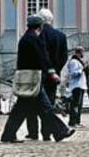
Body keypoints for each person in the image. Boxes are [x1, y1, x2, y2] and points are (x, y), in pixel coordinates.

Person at [0, 15, 75, 144]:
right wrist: (52, 72)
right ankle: (60, 131)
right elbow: (43, 58)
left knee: (22, 109)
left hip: (27, 78)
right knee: (45, 107)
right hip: (33, 79)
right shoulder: (35, 39)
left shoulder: (25, 38)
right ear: (40, 26)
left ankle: (8, 134)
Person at [26, 8, 68, 141]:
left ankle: (33, 132)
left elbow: (37, 55)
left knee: (32, 104)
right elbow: (64, 57)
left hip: (38, 74)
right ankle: (46, 133)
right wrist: (55, 70)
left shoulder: (37, 35)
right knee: (48, 103)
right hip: (53, 76)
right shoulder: (61, 36)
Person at [66, 47, 87, 127]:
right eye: (82, 52)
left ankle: (77, 121)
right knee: (75, 104)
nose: (83, 54)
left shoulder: (78, 61)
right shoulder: (74, 62)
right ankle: (73, 122)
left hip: (80, 85)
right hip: (76, 85)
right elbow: (74, 73)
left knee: (79, 105)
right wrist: (83, 69)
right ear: (79, 52)